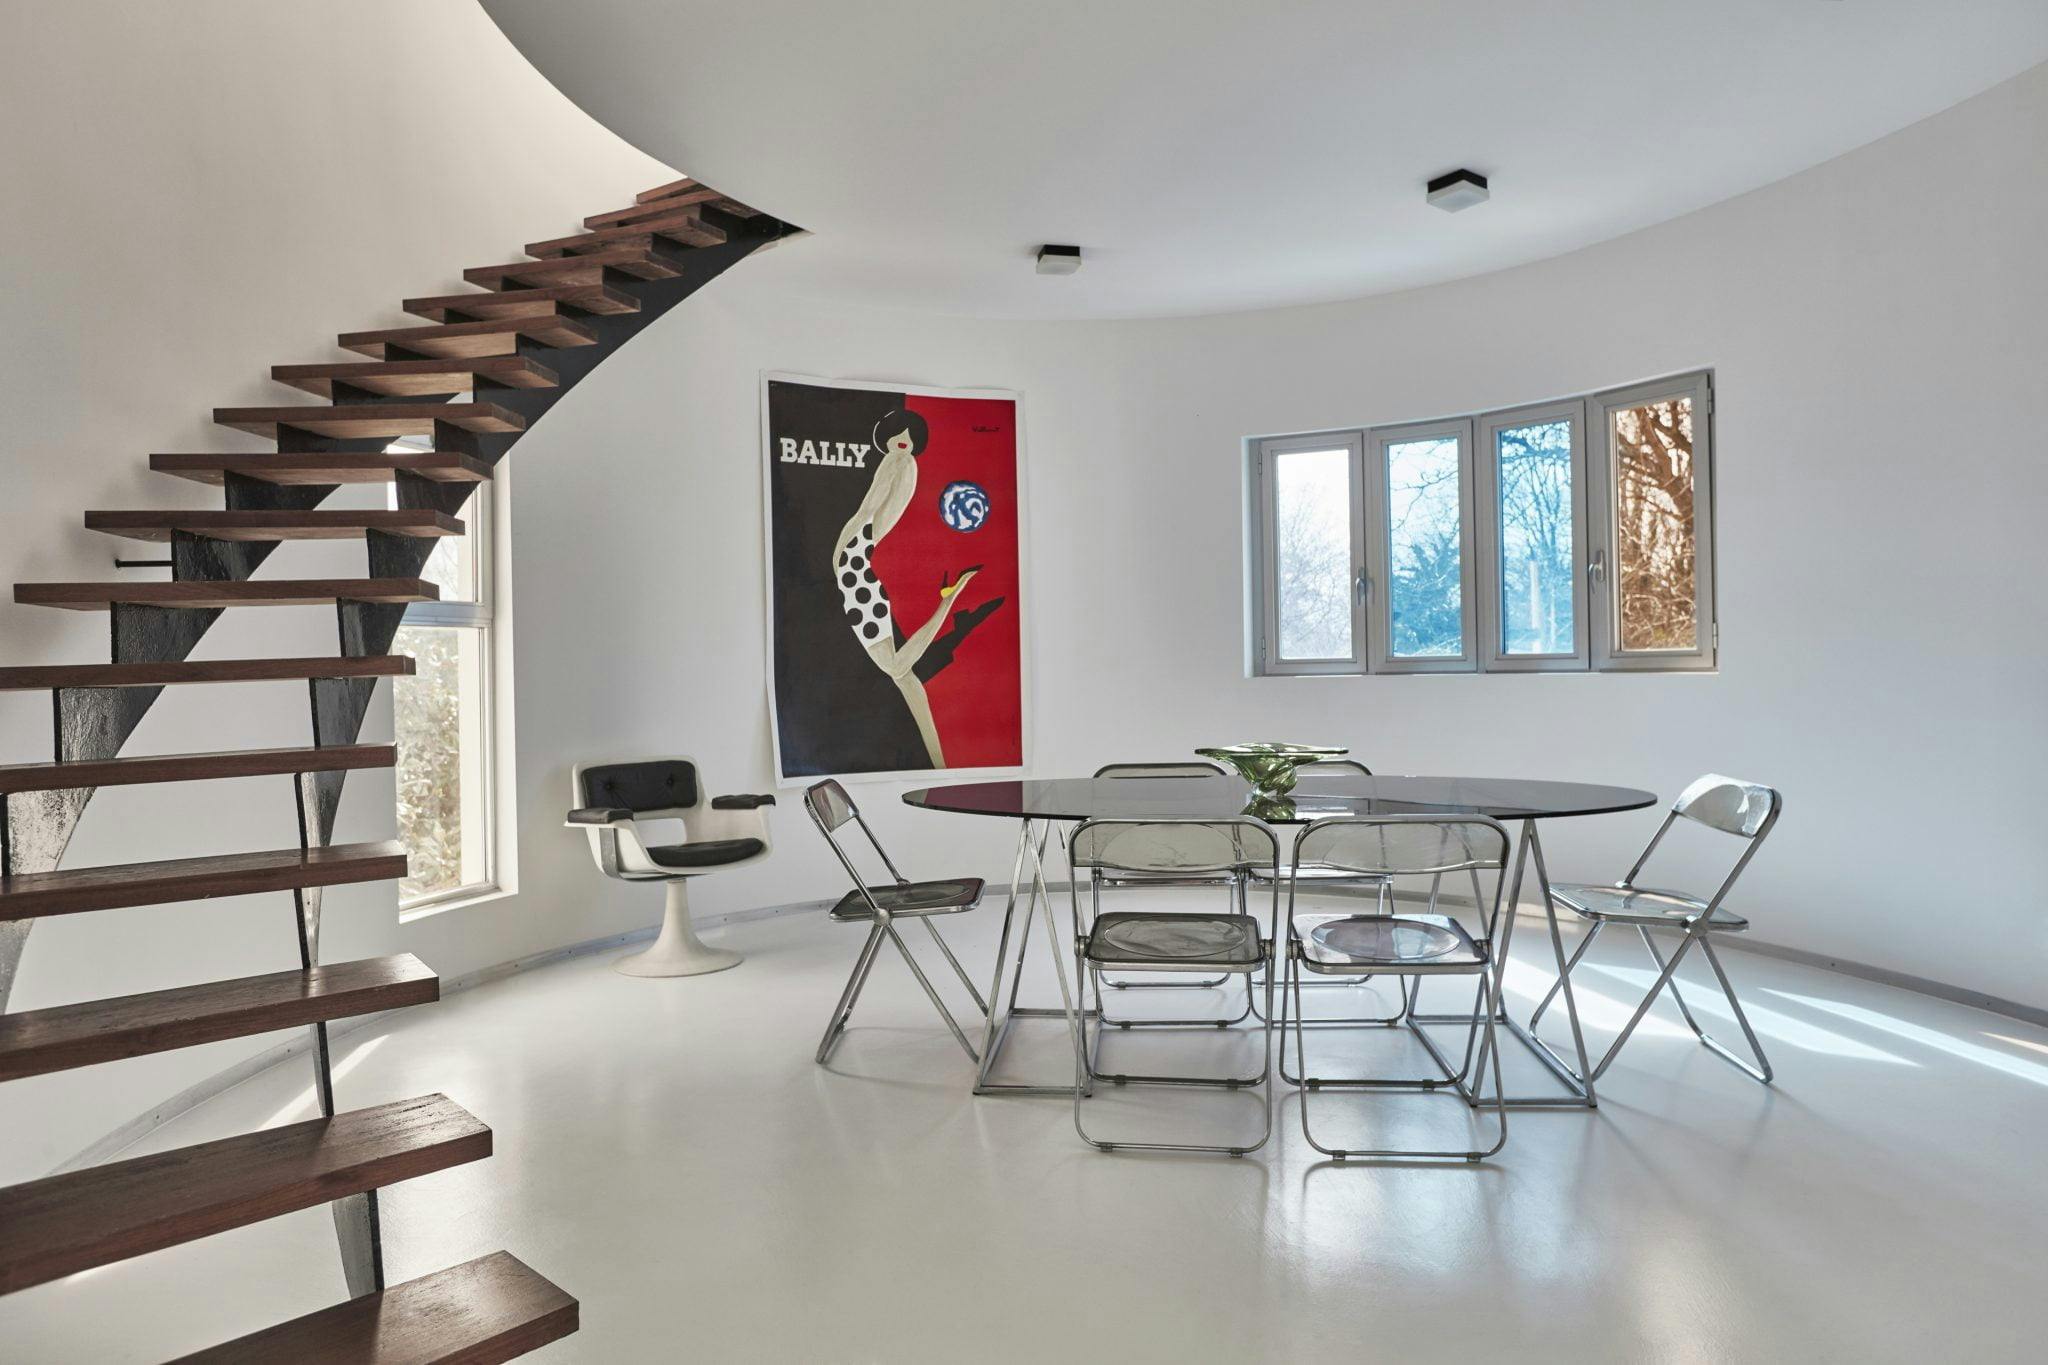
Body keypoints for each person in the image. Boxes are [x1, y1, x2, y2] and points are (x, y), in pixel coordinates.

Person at [831, 409, 979, 767]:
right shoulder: (898, 461)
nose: (905, 442)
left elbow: (870, 509)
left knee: (902, 674)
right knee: (903, 676)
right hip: (853, 566)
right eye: (901, 434)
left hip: (853, 570)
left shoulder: (900, 461)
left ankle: (941, 766)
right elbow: (870, 509)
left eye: (911, 437)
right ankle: (949, 600)